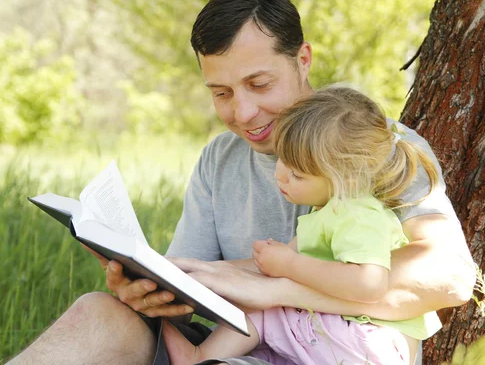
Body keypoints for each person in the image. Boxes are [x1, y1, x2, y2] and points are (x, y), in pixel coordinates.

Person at [7, 0, 474, 365]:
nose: (244, 112)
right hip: (229, 347)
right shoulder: (220, 158)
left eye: (259, 84)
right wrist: (148, 287)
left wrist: (279, 289)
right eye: (222, 93)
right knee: (97, 314)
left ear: (303, 59)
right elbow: (195, 287)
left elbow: (449, 277)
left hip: (333, 354)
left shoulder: (372, 147)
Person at [162, 86, 442, 365]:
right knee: (263, 302)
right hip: (349, 336)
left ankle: (199, 356)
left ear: (345, 178)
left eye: (296, 173)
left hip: (371, 343)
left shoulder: (360, 216)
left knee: (266, 308)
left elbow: (369, 284)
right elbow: (276, 266)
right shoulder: (329, 212)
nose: (280, 175)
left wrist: (288, 266)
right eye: (282, 158)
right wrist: (201, 270)